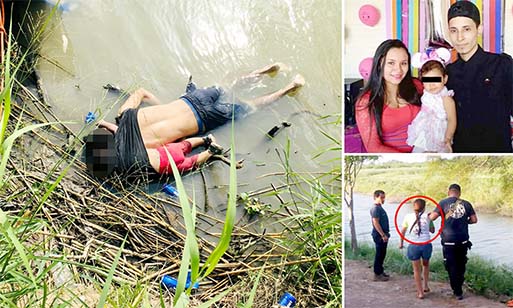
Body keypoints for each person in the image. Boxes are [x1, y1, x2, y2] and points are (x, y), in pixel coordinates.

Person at [84, 63, 305, 178]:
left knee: (251, 105)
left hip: (204, 120)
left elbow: (179, 151)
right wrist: (164, 106)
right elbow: (142, 92)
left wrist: (206, 151)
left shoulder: (143, 149)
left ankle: (290, 87)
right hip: (192, 100)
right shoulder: (125, 114)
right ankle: (268, 70)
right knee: (229, 86)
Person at [446, 1, 513, 152]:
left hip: (498, 157)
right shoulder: (447, 73)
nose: (460, 37)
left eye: (467, 29)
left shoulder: (502, 65)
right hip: (460, 158)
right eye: (454, 31)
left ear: (479, 29)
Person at [355, 39, 423, 153]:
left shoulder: (417, 85)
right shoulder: (365, 101)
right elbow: (373, 148)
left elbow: (439, 80)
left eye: (404, 63)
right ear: (380, 64)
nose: (398, 69)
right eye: (391, 63)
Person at [429, 184, 478, 300]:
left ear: (448, 192)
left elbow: (432, 218)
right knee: (461, 264)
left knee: (451, 265)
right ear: (459, 193)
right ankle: (459, 288)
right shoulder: (466, 204)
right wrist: (466, 222)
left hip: (448, 241)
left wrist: (429, 216)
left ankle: (456, 291)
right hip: (463, 240)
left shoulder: (443, 203)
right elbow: (474, 220)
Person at [407, 60, 457, 152]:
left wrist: (448, 138)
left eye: (436, 79)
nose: (431, 84)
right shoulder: (426, 94)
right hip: (424, 130)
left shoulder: (446, 99)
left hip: (439, 133)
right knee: (418, 151)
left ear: (444, 79)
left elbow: (452, 119)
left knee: (440, 153)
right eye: (427, 81)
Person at [399, 199, 435, 299]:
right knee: (426, 265)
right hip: (426, 244)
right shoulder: (428, 216)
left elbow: (403, 231)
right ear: (424, 207)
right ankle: (426, 285)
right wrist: (429, 222)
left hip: (413, 245)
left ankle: (420, 293)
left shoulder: (407, 216)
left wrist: (401, 243)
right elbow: (432, 231)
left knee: (416, 269)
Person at [370, 190, 390, 281]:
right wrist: (382, 235)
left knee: (382, 254)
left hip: (383, 234)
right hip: (379, 235)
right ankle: (377, 274)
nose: (383, 199)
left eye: (384, 197)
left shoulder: (379, 208)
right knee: (379, 254)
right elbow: (375, 222)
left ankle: (380, 271)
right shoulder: (376, 209)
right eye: (381, 197)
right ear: (376, 197)